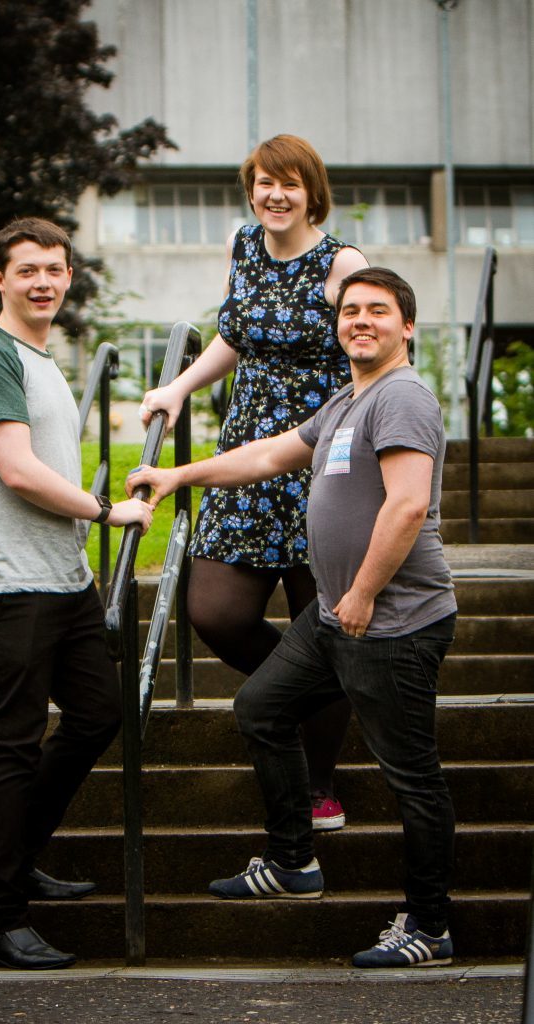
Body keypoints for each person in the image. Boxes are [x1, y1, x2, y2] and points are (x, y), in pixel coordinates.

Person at [127, 267, 457, 968]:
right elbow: (270, 454)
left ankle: (428, 926)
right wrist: (177, 476)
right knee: (262, 708)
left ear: (406, 328)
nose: (358, 321)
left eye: (376, 311)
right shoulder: (346, 399)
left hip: (390, 619)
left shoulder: (400, 397)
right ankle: (291, 861)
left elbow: (405, 505)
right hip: (338, 616)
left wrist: (362, 593)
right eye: (349, 311)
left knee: (412, 777)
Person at [140, 135, 368, 829]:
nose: (273, 195)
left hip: (319, 460)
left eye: (288, 184)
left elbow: (376, 349)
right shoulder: (245, 245)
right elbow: (232, 335)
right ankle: (292, 699)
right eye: (262, 182)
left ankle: (317, 785)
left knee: (320, 623)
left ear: (312, 191)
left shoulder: (342, 264)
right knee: (215, 611)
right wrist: (176, 389)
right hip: (245, 456)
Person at [0, 217, 153, 970]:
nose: (43, 281)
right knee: (13, 740)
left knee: (98, 712)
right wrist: (106, 511)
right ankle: (0, 909)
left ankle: (15, 852)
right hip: (8, 581)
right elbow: (17, 470)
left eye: (54, 269)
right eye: (27, 269)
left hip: (62, 579)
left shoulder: (41, 358)